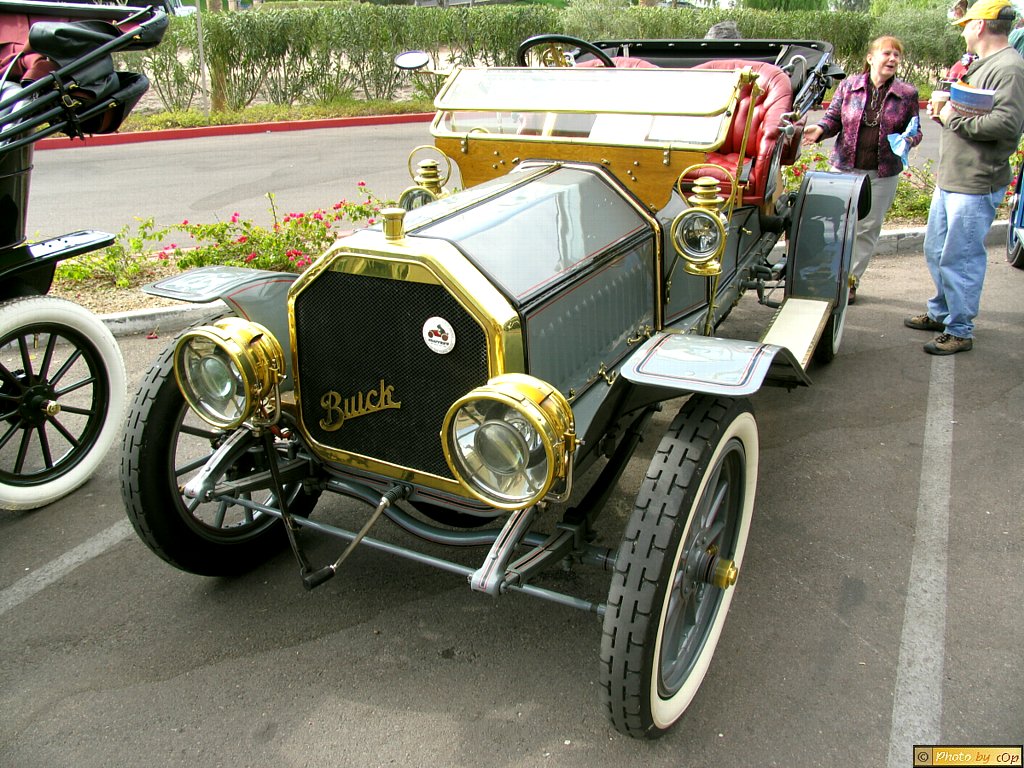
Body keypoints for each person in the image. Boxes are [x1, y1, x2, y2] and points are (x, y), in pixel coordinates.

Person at [904, 0, 1024, 354]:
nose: (964, 30)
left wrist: (952, 115)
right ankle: (941, 311)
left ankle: (959, 330)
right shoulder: (985, 63)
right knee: (937, 249)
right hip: (954, 178)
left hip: (975, 181)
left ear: (981, 26)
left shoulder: (1009, 68)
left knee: (962, 256)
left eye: (967, 24)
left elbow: (1007, 124)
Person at [802, 36, 922, 304]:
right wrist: (819, 130)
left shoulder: (908, 94)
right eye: (887, 53)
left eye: (897, 55)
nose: (892, 59)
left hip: (882, 173)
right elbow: (832, 119)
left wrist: (909, 140)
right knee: (835, 225)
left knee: (866, 229)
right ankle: (827, 278)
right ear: (871, 58)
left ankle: (850, 282)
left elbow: (915, 130)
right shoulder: (848, 86)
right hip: (844, 168)